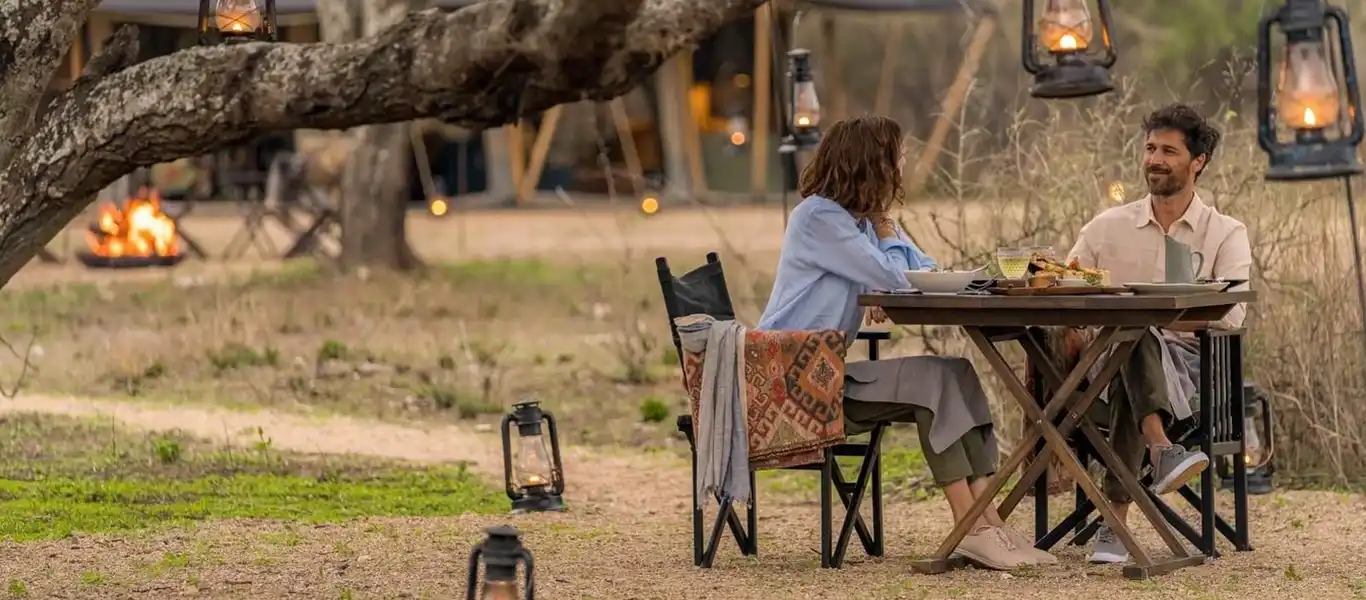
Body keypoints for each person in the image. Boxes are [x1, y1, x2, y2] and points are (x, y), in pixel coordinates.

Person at [758, 115, 1054, 570]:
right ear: (872, 163)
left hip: (823, 374)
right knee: (931, 383)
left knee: (956, 372)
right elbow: (900, 278)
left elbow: (924, 271)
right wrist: (886, 247)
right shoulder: (819, 218)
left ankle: (990, 522)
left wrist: (884, 242)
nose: (902, 165)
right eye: (897, 156)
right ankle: (970, 528)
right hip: (789, 384)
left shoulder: (856, 224)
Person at [1066, 103, 1253, 564]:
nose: (1155, 159)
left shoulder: (1225, 233)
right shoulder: (1107, 226)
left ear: (1198, 161)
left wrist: (1155, 320)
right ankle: (1160, 448)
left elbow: (1231, 316)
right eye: (1150, 148)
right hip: (1107, 365)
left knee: (1134, 336)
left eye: (1169, 151)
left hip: (1193, 366)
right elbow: (1064, 284)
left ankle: (1116, 518)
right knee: (1130, 342)